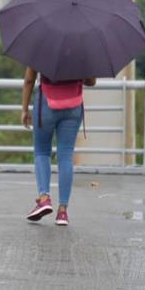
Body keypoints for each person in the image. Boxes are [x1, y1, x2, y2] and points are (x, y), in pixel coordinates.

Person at [20, 67, 96, 226]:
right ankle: (62, 212)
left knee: (42, 152)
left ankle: (44, 198)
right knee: (66, 156)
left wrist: (24, 109)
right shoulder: (82, 53)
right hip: (73, 106)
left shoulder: (40, 51)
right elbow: (91, 81)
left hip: (46, 105)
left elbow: (29, 80)